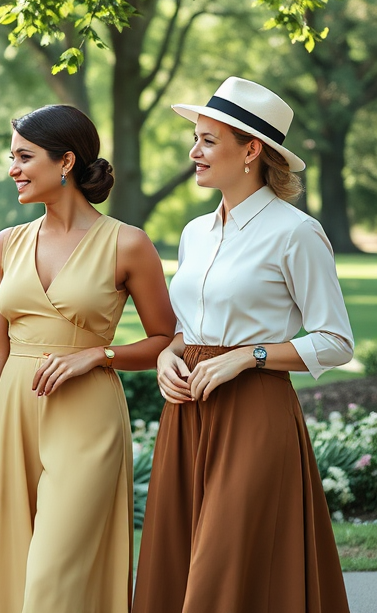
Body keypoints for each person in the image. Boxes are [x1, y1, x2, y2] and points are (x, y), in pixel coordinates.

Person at [133, 77, 354, 613]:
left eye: (209, 141)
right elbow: (191, 327)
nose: (194, 152)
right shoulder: (194, 233)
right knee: (179, 559)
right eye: (197, 139)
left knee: (226, 565)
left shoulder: (296, 233)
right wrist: (167, 355)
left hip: (255, 413)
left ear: (251, 150)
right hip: (187, 413)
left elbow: (336, 341)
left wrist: (248, 356)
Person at [0, 105, 176, 613]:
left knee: (52, 579)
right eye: (11, 156)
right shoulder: (6, 244)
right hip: (15, 415)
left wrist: (98, 356)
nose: (12, 168)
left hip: (87, 419)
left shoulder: (127, 243)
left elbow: (166, 338)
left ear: (64, 162)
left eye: (23, 156)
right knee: (18, 576)